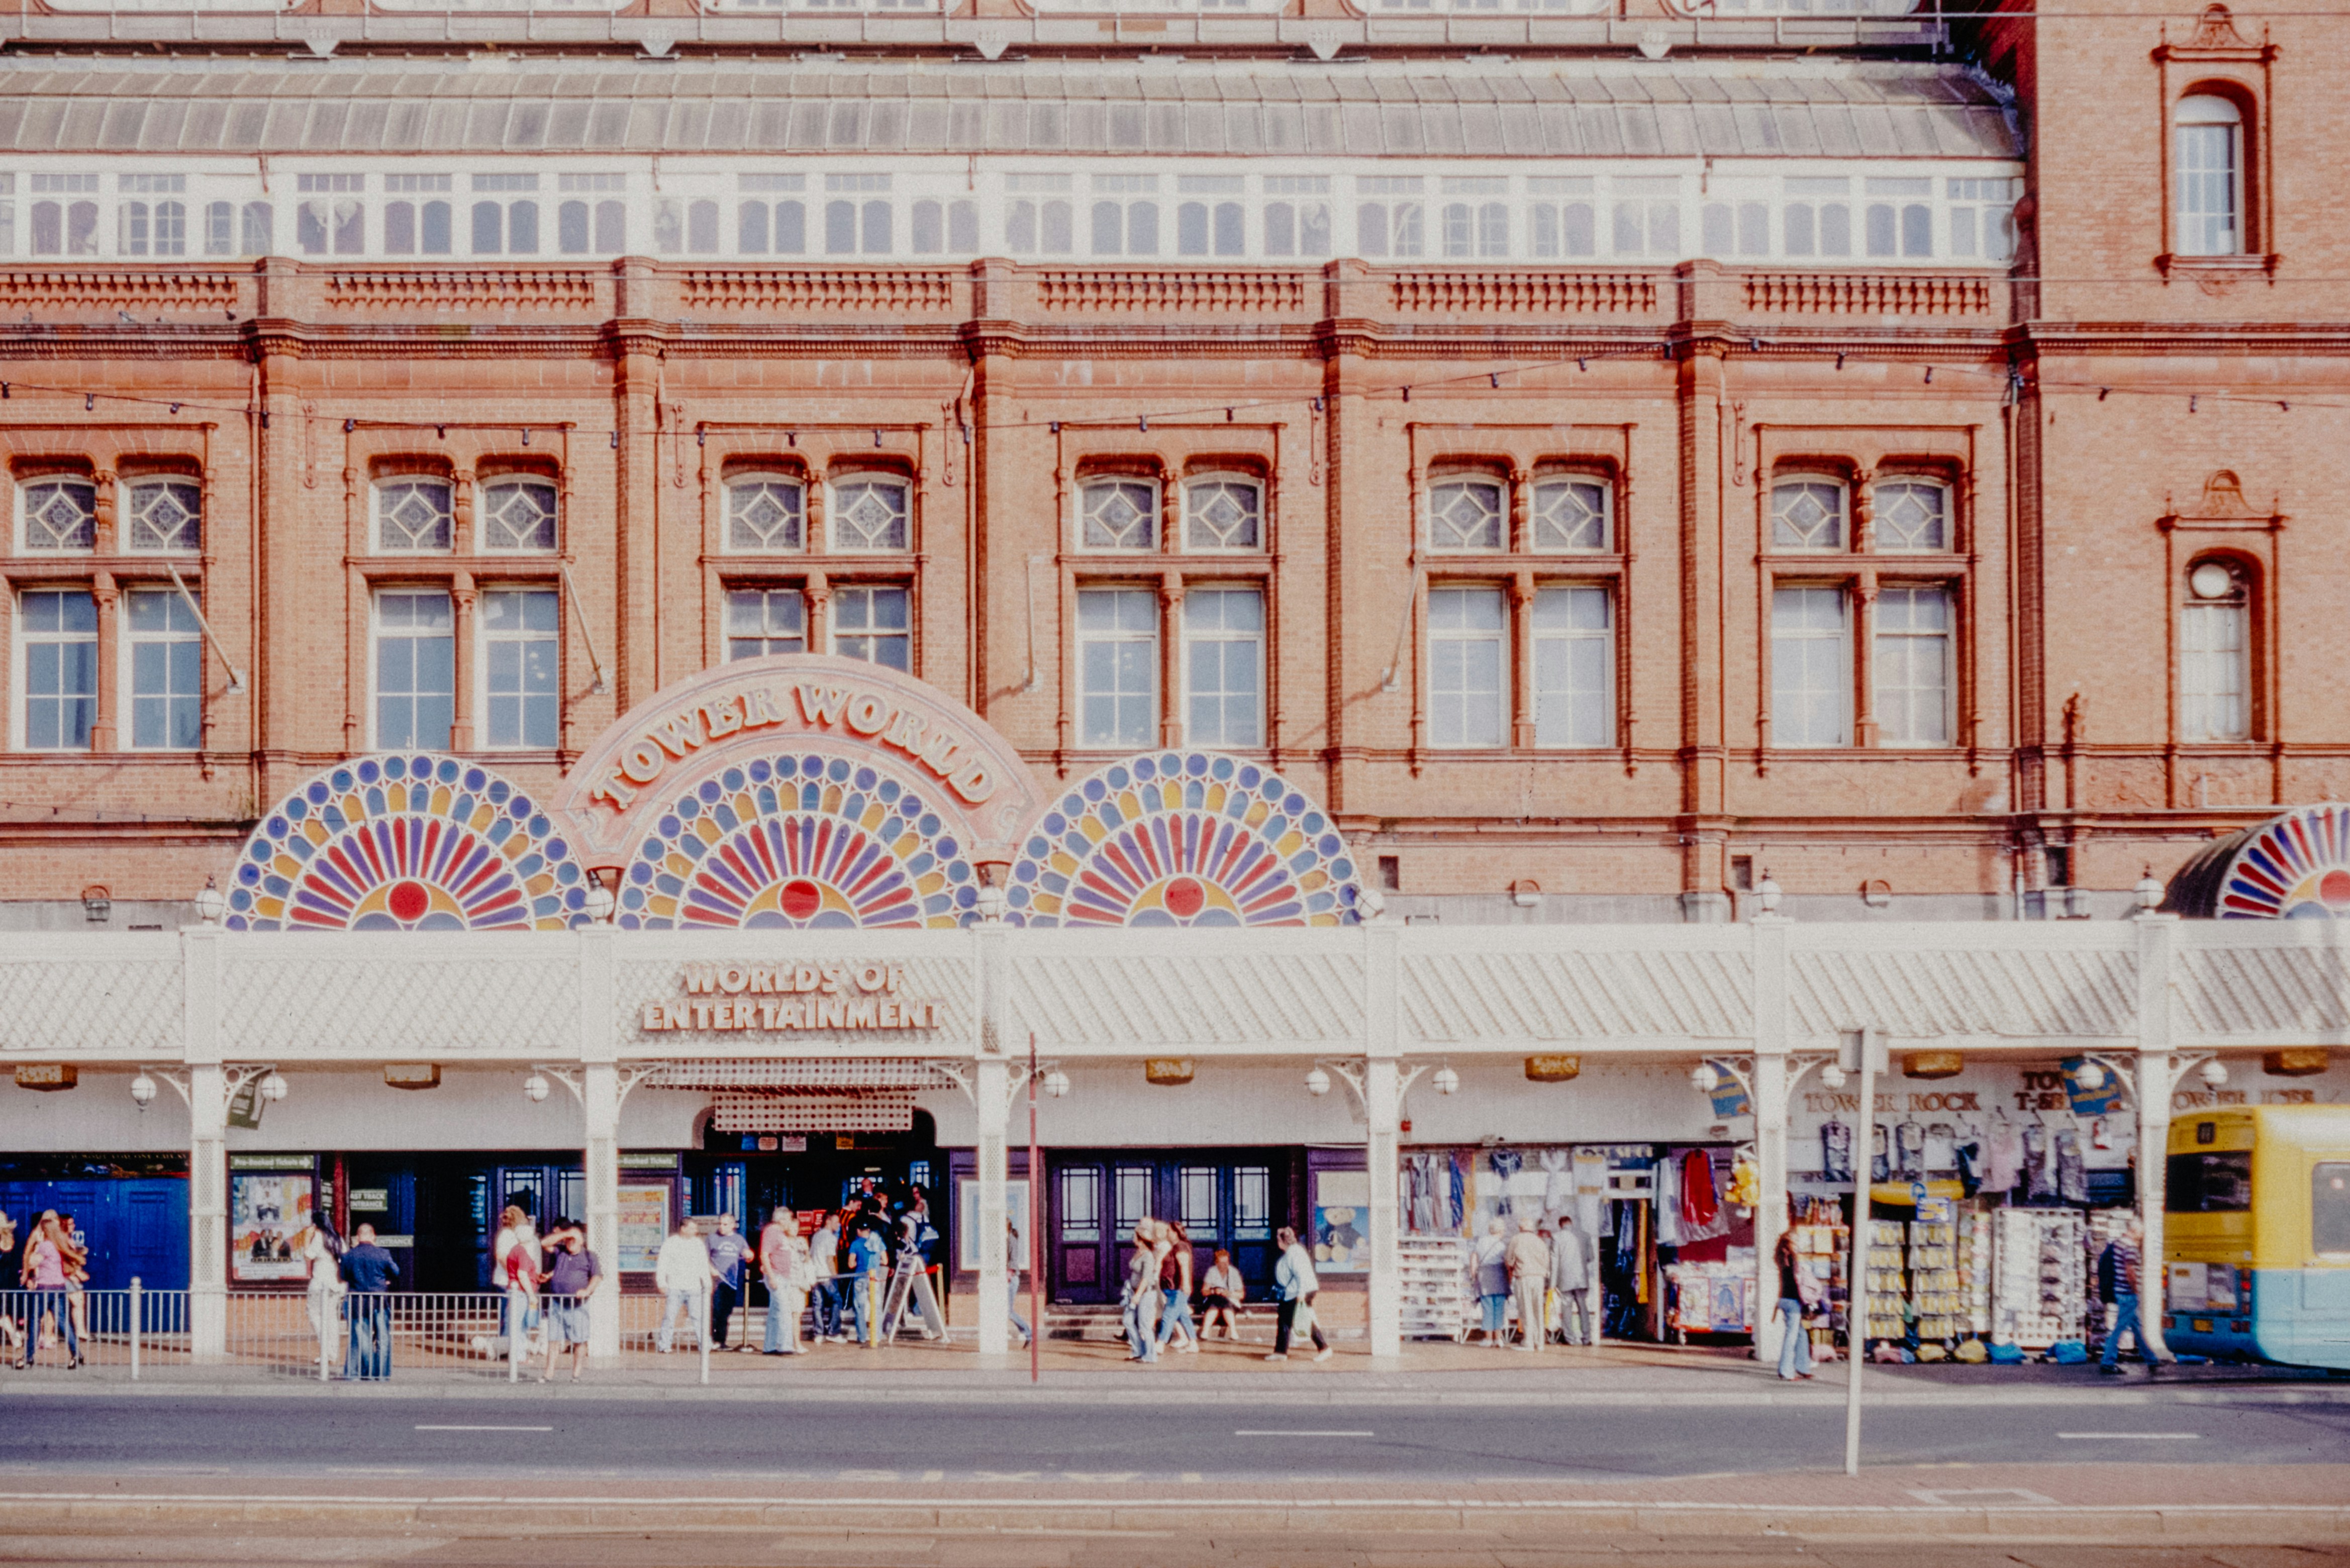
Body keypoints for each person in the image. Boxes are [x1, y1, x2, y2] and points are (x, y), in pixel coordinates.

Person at [539, 1221, 602, 1383]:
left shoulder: (589, 1256)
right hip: (558, 1302)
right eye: (568, 1240)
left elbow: (597, 1276)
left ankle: (576, 1374)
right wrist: (566, 1234)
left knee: (579, 1340)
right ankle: (549, 1373)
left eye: (574, 1240)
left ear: (581, 1240)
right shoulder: (561, 1252)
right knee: (554, 1339)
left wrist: (587, 1290)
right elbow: (544, 1243)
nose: (570, 1243)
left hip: (577, 1305)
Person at [2098, 1215, 2159, 1376]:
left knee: (2137, 1328)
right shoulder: (2130, 1247)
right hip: (2128, 1293)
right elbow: (2130, 1272)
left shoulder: (2118, 1244)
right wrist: (2135, 1290)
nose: (2142, 1235)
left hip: (2119, 1290)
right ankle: (2108, 1362)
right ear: (2135, 1230)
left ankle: (2151, 1359)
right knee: (2119, 1329)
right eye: (2141, 1232)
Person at [338, 1223, 400, 1382]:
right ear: (374, 1236)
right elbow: (396, 1272)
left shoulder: (348, 1256)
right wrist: (385, 1280)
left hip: (357, 1301)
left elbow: (344, 1277)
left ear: (357, 1237)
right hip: (379, 1300)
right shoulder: (383, 1254)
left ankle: (366, 1371)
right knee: (383, 1339)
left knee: (361, 1337)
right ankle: (382, 1374)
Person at [22, 1212, 79, 1369]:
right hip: (59, 1287)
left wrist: (37, 1246)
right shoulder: (59, 1245)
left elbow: (33, 1262)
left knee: (34, 1321)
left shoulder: (46, 1246)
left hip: (45, 1288)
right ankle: (76, 1353)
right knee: (62, 1321)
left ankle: (28, 1356)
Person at [1267, 1225, 1331, 1363]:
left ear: (1283, 1240)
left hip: (1301, 1291)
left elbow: (1300, 1274)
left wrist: (1301, 1293)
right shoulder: (1292, 1252)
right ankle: (1280, 1352)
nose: (1277, 1241)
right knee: (1284, 1319)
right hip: (1293, 1292)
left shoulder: (1295, 1253)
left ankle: (1324, 1348)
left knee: (1302, 1318)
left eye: (1278, 1238)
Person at [889, 1193, 946, 1342]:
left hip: (911, 1253)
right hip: (924, 1252)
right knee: (922, 1282)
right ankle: (917, 1308)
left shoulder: (905, 1219)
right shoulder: (923, 1216)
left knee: (908, 1282)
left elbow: (907, 1237)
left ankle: (909, 1310)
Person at [654, 1218, 715, 1354]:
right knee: (670, 1317)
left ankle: (705, 1345)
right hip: (675, 1286)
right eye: (693, 1228)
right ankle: (664, 1345)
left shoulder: (698, 1244)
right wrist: (662, 1282)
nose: (696, 1231)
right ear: (684, 1228)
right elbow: (662, 1264)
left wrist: (707, 1284)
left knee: (698, 1317)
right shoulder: (671, 1243)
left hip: (694, 1287)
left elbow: (703, 1265)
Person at [297, 1211, 345, 1370]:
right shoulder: (337, 1237)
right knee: (331, 1318)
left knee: (314, 1315)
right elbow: (344, 1256)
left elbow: (308, 1255)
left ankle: (325, 1351)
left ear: (315, 1224)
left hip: (320, 1284)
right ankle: (333, 1353)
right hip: (334, 1284)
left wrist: (306, 1238)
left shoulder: (318, 1237)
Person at [491, 1205, 541, 1358]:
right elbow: (501, 1256)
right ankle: (507, 1351)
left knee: (514, 1319)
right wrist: (516, 1275)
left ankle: (509, 1350)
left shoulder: (521, 1238)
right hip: (509, 1282)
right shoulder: (507, 1235)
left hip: (520, 1282)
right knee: (511, 1319)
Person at [759, 1208, 810, 1355]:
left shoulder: (780, 1234)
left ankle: (769, 1346)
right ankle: (785, 1345)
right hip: (777, 1276)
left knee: (775, 1312)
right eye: (788, 1219)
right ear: (781, 1220)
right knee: (785, 1310)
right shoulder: (772, 1231)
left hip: (784, 1276)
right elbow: (764, 1255)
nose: (790, 1222)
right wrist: (772, 1277)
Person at [1772, 1228, 1818, 1381]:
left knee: (1801, 1334)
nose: (1798, 1243)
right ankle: (1785, 1371)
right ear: (1790, 1242)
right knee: (1791, 1337)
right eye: (1795, 1240)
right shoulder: (1793, 1258)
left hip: (1784, 1300)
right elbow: (1800, 1281)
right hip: (1793, 1302)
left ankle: (1802, 1366)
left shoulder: (1781, 1257)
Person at [1122, 1220, 1166, 1363]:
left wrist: (1138, 1296)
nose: (1133, 1238)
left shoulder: (1148, 1256)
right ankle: (1138, 1350)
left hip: (1146, 1294)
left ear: (1141, 1239)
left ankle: (1150, 1355)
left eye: (1135, 1236)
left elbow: (1147, 1278)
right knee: (1128, 1321)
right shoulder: (1138, 1252)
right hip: (1133, 1292)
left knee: (1144, 1325)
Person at [705, 1213, 751, 1350]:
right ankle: (714, 1340)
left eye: (725, 1224)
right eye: (720, 1224)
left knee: (726, 1311)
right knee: (716, 1310)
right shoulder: (712, 1238)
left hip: (731, 1281)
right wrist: (711, 1269)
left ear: (732, 1225)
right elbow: (704, 1257)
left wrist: (749, 1255)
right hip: (716, 1280)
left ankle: (722, 1340)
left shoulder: (739, 1239)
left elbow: (747, 1254)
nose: (721, 1227)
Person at [1505, 1218, 1549, 1351]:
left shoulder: (1516, 1239)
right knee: (1538, 1310)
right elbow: (1546, 1261)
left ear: (1520, 1228)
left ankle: (1528, 1341)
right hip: (1539, 1278)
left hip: (1524, 1276)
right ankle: (1540, 1342)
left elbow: (1509, 1260)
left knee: (1526, 1309)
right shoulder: (1540, 1241)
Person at [1155, 1220, 1199, 1355]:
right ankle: (1193, 1343)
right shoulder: (1174, 1246)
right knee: (1183, 1317)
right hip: (1171, 1288)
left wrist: (1185, 1284)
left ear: (1175, 1233)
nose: (1167, 1233)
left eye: (1169, 1231)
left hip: (1177, 1289)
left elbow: (1184, 1266)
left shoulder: (1180, 1246)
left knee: (1168, 1315)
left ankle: (1161, 1343)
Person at [847, 1217, 890, 1348]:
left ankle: (862, 1337)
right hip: (875, 1278)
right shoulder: (878, 1242)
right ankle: (877, 1336)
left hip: (860, 1277)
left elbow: (851, 1264)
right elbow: (886, 1261)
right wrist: (876, 1263)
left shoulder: (856, 1244)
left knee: (860, 1308)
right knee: (876, 1307)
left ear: (859, 1231)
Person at [1549, 1216, 1592, 1347]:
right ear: (1571, 1223)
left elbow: (1554, 1262)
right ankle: (1587, 1338)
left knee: (1566, 1308)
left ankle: (1570, 1338)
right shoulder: (1585, 1236)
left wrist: (1552, 1284)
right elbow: (1591, 1257)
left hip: (1565, 1279)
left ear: (1560, 1225)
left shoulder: (1557, 1237)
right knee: (1583, 1307)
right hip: (1581, 1278)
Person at [1471, 1219, 1510, 1347]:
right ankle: (1498, 1339)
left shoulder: (1482, 1241)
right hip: (1499, 1275)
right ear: (1500, 1231)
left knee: (1487, 1307)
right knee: (1499, 1308)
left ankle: (1488, 1339)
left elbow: (1474, 1257)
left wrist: (1473, 1274)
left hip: (1485, 1276)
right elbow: (1507, 1262)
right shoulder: (1502, 1245)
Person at [807, 1213, 845, 1343]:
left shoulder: (817, 1235)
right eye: (836, 1222)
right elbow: (830, 1259)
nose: (838, 1225)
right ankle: (834, 1332)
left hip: (816, 1273)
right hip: (826, 1274)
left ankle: (818, 1333)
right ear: (828, 1222)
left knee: (818, 1304)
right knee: (837, 1300)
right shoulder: (831, 1237)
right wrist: (835, 1276)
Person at [1200, 1248, 1246, 1342]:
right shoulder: (1212, 1271)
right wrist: (1214, 1291)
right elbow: (1204, 1291)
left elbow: (1242, 1295)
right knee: (1217, 1301)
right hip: (1214, 1303)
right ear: (1217, 1263)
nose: (1225, 1265)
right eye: (1222, 1263)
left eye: (1226, 1262)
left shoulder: (1234, 1272)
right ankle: (1207, 1331)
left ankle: (1208, 1331)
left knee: (1225, 1303)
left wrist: (1229, 1294)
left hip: (1230, 1303)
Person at [1007, 1218, 1032, 1349]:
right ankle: (1027, 1334)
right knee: (1007, 1311)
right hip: (1010, 1278)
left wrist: (1009, 1273)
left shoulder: (1011, 1239)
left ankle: (1029, 1334)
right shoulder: (1009, 1239)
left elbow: (1013, 1259)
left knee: (1008, 1312)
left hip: (1011, 1278)